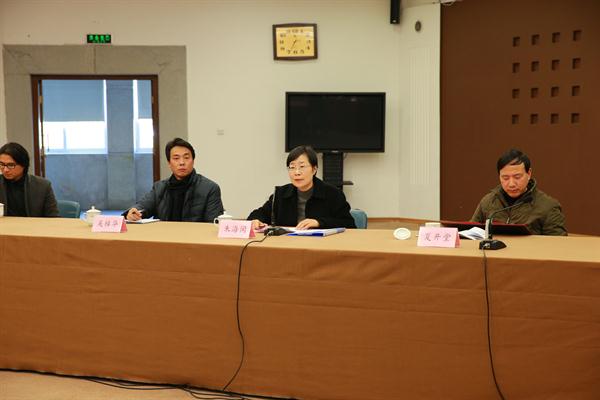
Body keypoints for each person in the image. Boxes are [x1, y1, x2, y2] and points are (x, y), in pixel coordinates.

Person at [248, 145, 356, 230]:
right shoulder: (280, 194)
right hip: (288, 245)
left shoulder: (333, 194)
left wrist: (319, 222)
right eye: (292, 167)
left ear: (314, 169)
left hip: (322, 246)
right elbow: (259, 213)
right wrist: (256, 220)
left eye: (302, 166)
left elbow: (348, 224)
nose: (297, 172)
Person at [124, 137, 224, 222]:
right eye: (176, 158)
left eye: (186, 158)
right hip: (164, 237)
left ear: (193, 161)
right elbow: (143, 205)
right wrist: (133, 212)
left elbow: (213, 223)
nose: (182, 162)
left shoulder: (209, 188)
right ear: (169, 163)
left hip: (195, 238)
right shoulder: (160, 187)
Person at [470, 148, 566, 235]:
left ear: (529, 173)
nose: (511, 184)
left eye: (517, 177)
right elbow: (470, 233)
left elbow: (558, 244)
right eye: (505, 178)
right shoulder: (488, 202)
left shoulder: (548, 206)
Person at [0, 142, 59, 217]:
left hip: (35, 224)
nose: (5, 170)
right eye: (2, 164)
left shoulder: (43, 186)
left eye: (11, 165)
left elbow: (53, 217)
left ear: (23, 164)